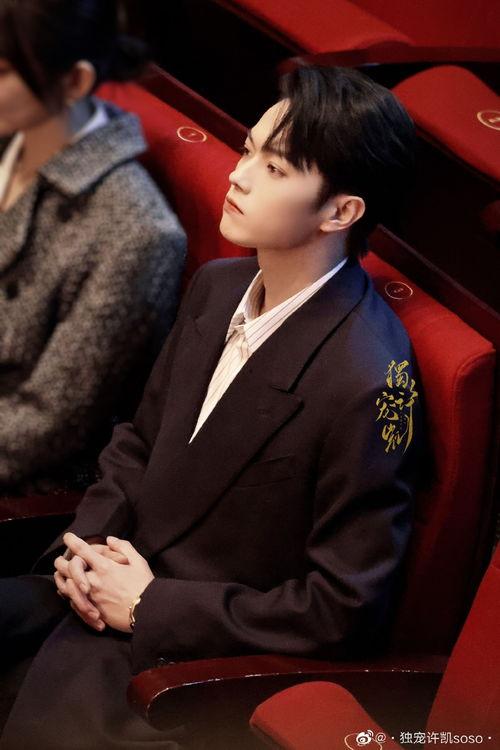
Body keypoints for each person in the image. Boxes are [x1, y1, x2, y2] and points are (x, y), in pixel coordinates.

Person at [0, 65, 422, 748]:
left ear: (341, 212)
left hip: (187, 661)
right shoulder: (219, 284)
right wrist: (84, 550)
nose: (238, 175)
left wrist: (150, 606)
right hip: (97, 585)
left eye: (274, 168)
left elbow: (343, 606)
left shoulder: (367, 377)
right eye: (247, 149)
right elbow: (137, 440)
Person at [0, 0, 186, 490]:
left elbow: (48, 424)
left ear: (76, 82)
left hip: (27, 485)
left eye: (1, 72)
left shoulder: (136, 231)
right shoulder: (10, 132)